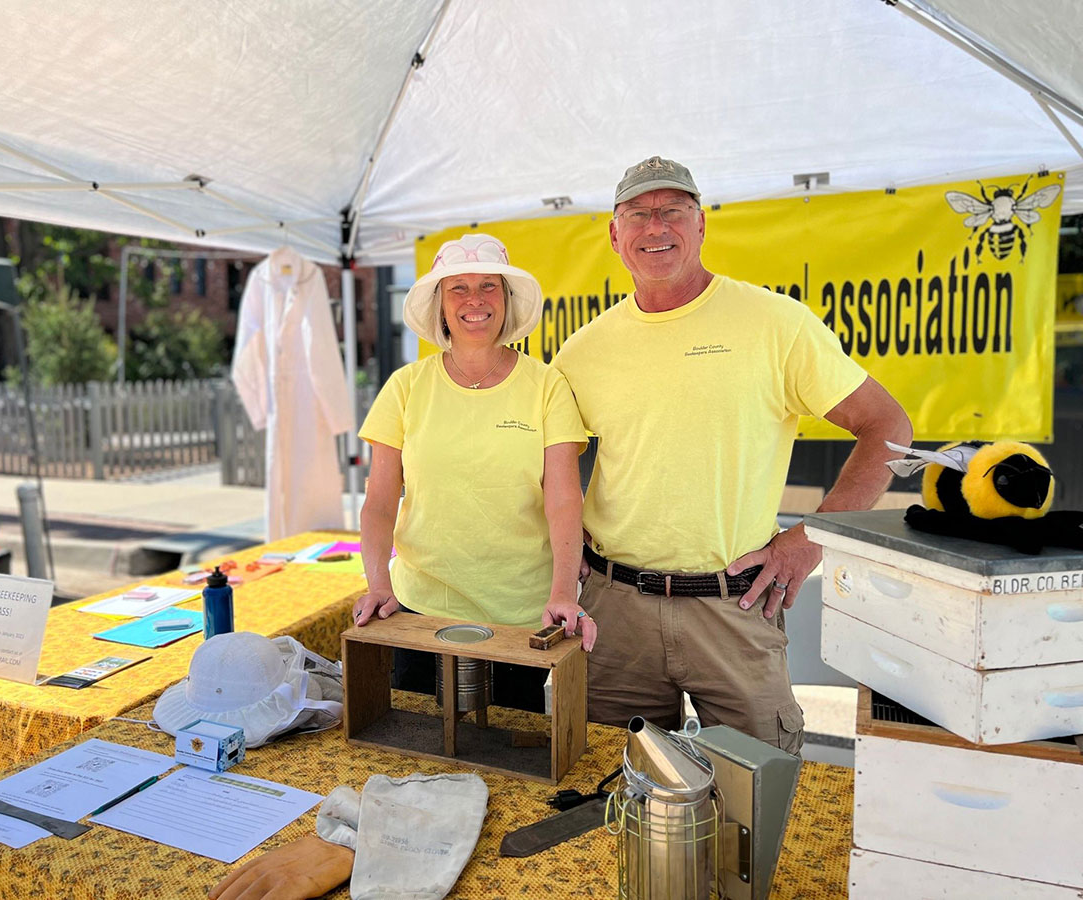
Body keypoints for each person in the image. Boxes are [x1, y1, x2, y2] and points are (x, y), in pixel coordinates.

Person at [551, 156, 913, 752]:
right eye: (637, 213)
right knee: (616, 795)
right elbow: (548, 468)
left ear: (702, 225)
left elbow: (887, 424)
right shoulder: (585, 349)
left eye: (673, 210)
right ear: (614, 236)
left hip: (734, 603)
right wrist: (563, 563)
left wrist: (812, 538)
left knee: (755, 801)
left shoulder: (776, 323)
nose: (655, 226)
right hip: (613, 614)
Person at [354, 233, 596, 711]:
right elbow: (380, 501)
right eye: (457, 288)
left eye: (489, 286)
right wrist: (378, 583)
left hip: (520, 615)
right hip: (420, 609)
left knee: (509, 763)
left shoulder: (546, 385)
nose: (474, 300)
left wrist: (563, 593)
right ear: (440, 306)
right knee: (415, 749)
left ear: (506, 300)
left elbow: (564, 498)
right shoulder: (406, 386)